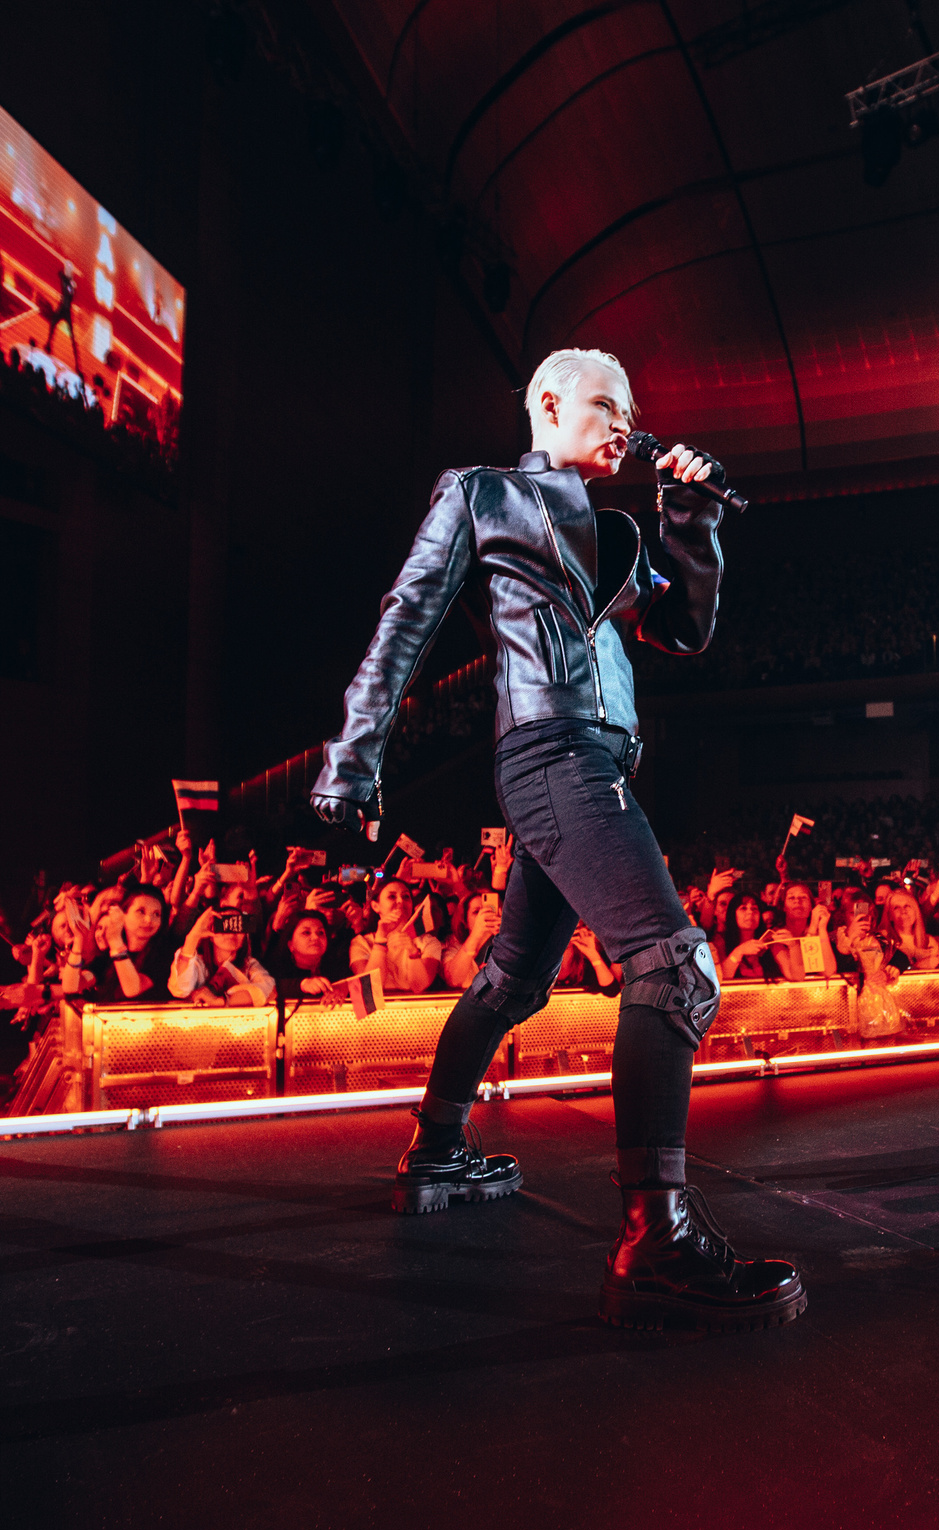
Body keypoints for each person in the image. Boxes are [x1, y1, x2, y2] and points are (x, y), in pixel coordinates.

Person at [312, 345, 802, 1332]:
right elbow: (405, 621)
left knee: (513, 980)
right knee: (674, 968)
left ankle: (437, 1150)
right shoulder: (483, 492)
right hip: (552, 753)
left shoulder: (615, 532)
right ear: (547, 399)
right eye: (607, 404)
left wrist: (689, 520)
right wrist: (351, 760)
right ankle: (655, 1238)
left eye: (631, 410)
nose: (626, 423)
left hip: (589, 760)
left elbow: (685, 631)